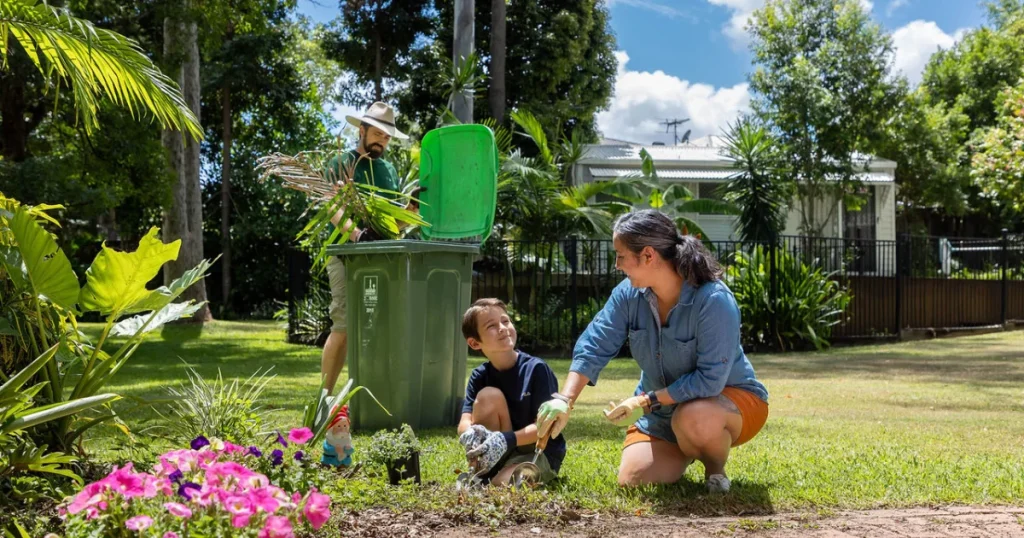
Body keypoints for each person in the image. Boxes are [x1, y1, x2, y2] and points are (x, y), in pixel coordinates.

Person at [535, 209, 769, 494]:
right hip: (660, 410)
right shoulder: (628, 294)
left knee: (692, 416)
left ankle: (714, 470)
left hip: (726, 401)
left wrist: (645, 401)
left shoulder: (713, 299)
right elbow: (595, 343)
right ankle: (686, 444)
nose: (617, 265)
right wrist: (565, 399)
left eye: (620, 256)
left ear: (648, 255)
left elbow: (710, 380)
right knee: (634, 481)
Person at [319, 101, 410, 396]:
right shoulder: (341, 162)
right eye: (377, 134)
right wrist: (357, 235)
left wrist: (411, 211)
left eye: (386, 136)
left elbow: (392, 223)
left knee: (380, 328)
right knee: (343, 326)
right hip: (345, 253)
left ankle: (378, 395)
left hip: (380, 257)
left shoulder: (388, 171)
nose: (382, 140)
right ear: (362, 130)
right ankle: (325, 398)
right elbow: (332, 206)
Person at [456, 298, 567, 486]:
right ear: (475, 343)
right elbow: (464, 422)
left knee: (502, 485)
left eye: (505, 321)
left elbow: (544, 428)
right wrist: (470, 434)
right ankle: (486, 469)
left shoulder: (536, 369)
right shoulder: (479, 376)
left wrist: (506, 439)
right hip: (499, 451)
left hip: (538, 450)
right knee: (488, 396)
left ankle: (496, 477)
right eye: (491, 325)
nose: (502, 328)